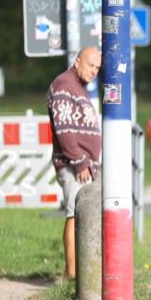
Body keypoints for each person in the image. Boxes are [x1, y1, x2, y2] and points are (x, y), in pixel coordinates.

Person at [47, 47, 102, 280]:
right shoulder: (64, 85)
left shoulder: (78, 87)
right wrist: (79, 162)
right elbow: (64, 128)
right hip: (73, 165)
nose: (94, 71)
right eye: (90, 65)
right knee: (74, 215)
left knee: (83, 215)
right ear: (77, 61)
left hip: (84, 164)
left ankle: (82, 272)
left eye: (97, 68)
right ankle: (72, 274)